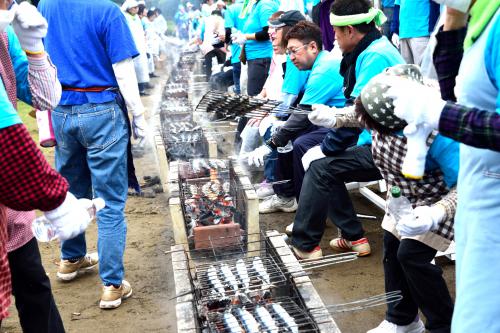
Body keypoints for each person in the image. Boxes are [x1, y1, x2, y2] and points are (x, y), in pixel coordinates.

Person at [386, 2, 500, 331]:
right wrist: (453, 21)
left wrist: (437, 114)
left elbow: (452, 112)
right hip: (478, 196)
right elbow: (458, 95)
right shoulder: (479, 14)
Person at [39, 0, 149, 309]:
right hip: (101, 110)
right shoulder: (107, 10)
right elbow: (123, 69)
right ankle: (112, 284)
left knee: (70, 192)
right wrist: (138, 115)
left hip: (62, 111)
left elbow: (41, 60)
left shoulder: (47, 5)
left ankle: (70, 259)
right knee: (109, 201)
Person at [0, 0, 100, 323]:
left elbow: (45, 98)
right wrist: (55, 199)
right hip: (8, 175)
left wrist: (34, 47)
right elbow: (4, 129)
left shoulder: (5, 35)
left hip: (10, 206)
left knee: (34, 286)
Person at [289, 0, 405, 258]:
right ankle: (353, 236)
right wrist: (331, 129)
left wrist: (328, 145)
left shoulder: (375, 55)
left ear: (350, 30)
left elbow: (358, 117)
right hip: (380, 139)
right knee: (320, 160)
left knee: (321, 167)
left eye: (337, 33)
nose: (335, 39)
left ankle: (306, 245)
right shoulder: (371, 48)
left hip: (394, 149)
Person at [352, 65, 457, 333]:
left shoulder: (441, 134)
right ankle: (403, 320)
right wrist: (332, 118)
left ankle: (445, 325)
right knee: (392, 248)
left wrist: (437, 212)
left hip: (439, 200)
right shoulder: (391, 107)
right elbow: (358, 116)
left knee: (412, 256)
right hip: (403, 197)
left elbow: (468, 185)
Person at [250, 21, 357, 214]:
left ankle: (306, 209)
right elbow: (302, 112)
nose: (291, 57)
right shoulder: (319, 64)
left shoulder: (324, 69)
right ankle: (286, 196)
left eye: (293, 51)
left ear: (313, 47)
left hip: (347, 126)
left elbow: (302, 115)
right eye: (288, 52)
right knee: (284, 134)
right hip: (329, 120)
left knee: (301, 144)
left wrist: (269, 145)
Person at [391, 0, 440, 64]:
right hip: (403, 34)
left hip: (422, 33)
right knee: (406, 71)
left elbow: (435, 5)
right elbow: (397, 6)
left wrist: (432, 31)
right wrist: (395, 31)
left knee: (423, 71)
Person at [122, 0, 151, 96]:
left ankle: (142, 89)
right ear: (129, 8)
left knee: (141, 69)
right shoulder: (125, 18)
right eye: (134, 7)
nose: (136, 9)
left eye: (137, 7)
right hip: (132, 48)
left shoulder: (137, 18)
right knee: (132, 71)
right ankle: (135, 91)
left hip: (141, 47)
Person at [224, 0, 245, 94]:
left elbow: (228, 30)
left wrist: (226, 43)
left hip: (238, 53)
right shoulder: (253, 6)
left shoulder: (231, 9)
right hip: (255, 53)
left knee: (239, 85)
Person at [200, 10, 226, 80]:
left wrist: (203, 41)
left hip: (208, 45)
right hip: (220, 46)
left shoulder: (206, 20)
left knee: (208, 66)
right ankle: (222, 82)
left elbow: (202, 32)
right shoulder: (223, 20)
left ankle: (209, 82)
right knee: (222, 65)